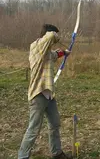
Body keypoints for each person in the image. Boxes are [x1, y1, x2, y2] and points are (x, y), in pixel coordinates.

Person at [18, 24, 72, 159]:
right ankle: (22, 156)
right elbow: (51, 36)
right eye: (54, 35)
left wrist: (63, 53)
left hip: (49, 95)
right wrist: (56, 35)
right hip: (38, 94)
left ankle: (57, 153)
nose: (54, 40)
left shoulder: (46, 51)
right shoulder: (36, 46)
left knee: (55, 124)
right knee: (33, 129)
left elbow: (53, 55)